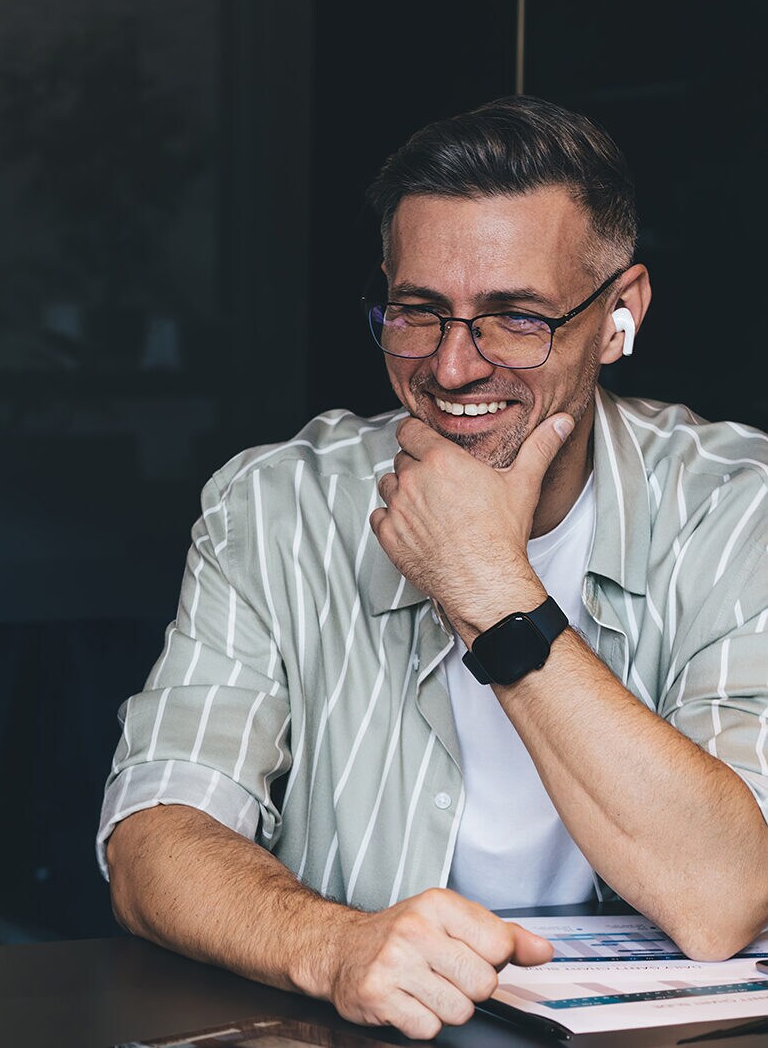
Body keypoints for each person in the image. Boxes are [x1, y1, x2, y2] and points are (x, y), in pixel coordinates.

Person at [100, 96, 768, 1039]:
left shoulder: (738, 510)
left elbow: (722, 895)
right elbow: (153, 838)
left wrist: (488, 589)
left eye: (514, 318)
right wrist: (337, 947)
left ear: (621, 313)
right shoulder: (274, 505)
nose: (452, 367)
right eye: (418, 312)